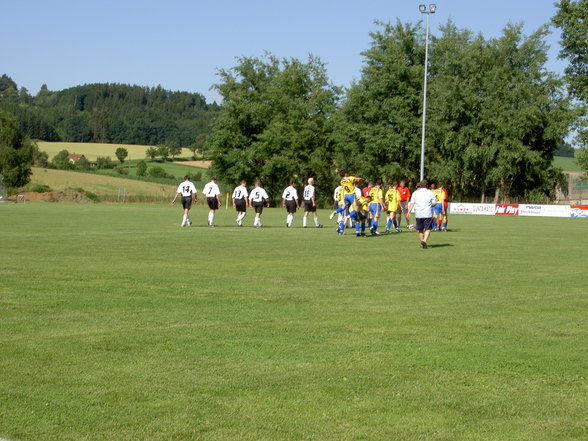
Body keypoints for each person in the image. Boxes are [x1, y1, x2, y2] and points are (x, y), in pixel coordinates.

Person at [408, 180, 437, 249]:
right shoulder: (430, 192)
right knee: (428, 229)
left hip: (418, 214)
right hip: (427, 213)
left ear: (420, 185)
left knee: (420, 230)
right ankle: (424, 240)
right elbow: (434, 202)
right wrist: (430, 205)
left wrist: (408, 212)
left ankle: (422, 243)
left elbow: (412, 203)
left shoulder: (415, 193)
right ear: (427, 186)